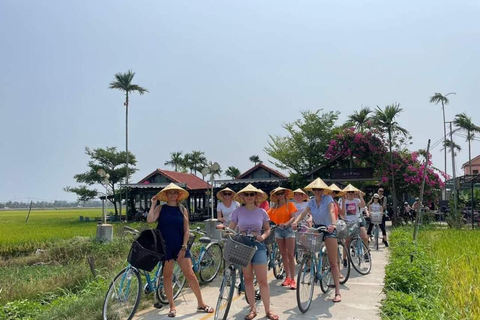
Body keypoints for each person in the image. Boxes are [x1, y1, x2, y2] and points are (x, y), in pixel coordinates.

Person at [147, 183, 213, 317]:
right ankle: (172, 306)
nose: (172, 195)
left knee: (190, 275)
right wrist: (153, 204)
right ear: (166, 195)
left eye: (175, 193)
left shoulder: (183, 210)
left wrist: (184, 247)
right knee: (167, 276)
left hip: (180, 246)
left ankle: (201, 303)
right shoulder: (161, 208)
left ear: (178, 196)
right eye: (169, 193)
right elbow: (150, 220)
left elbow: (186, 230)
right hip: (165, 247)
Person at [217, 184, 279, 320]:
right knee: (248, 279)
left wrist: (262, 236)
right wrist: (224, 228)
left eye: (252, 194)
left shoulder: (262, 212)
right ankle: (252, 309)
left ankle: (268, 310)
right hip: (243, 244)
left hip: (258, 246)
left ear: (256, 196)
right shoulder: (238, 211)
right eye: (247, 194)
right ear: (243, 197)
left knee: (263, 280)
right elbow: (231, 227)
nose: (249, 197)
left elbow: (268, 229)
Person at [292, 178, 342, 303]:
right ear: (313, 190)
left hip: (329, 228)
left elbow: (331, 211)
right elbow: (303, 213)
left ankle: (337, 292)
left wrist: (333, 224)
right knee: (305, 242)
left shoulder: (328, 199)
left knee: (333, 262)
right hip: (317, 227)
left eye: (320, 189)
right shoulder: (312, 202)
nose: (318, 191)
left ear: (323, 190)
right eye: (315, 189)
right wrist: (295, 221)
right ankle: (310, 263)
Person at [268, 187, 297, 289]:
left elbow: (293, 217)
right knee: (283, 254)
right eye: (278, 194)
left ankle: (293, 278)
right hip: (278, 231)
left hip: (288, 230)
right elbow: (267, 217)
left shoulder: (290, 205)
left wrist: (286, 224)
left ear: (285, 194)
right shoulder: (274, 207)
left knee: (290, 254)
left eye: (281, 193)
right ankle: (287, 277)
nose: (280, 195)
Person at [338, 184, 369, 257]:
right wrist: (344, 220)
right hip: (348, 222)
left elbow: (363, 205)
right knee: (347, 241)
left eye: (352, 192)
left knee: (364, 237)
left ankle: (366, 253)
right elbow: (341, 213)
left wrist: (360, 195)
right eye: (349, 192)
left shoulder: (357, 200)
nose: (351, 193)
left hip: (357, 220)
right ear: (346, 193)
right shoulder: (343, 202)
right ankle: (345, 258)